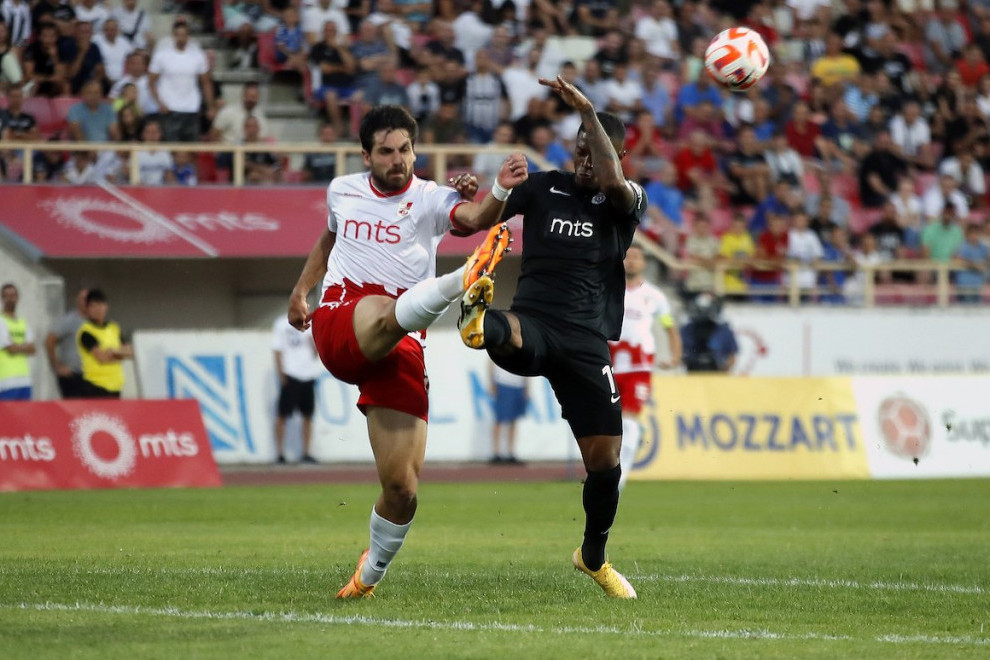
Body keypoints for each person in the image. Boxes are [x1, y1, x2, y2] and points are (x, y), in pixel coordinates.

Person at [286, 105, 528, 599]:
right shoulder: (342, 190)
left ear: (415, 151)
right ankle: (462, 280)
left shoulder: (431, 198)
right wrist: (301, 289)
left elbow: (477, 217)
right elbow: (330, 236)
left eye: (405, 150)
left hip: (401, 343)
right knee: (383, 310)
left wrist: (500, 188)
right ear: (366, 156)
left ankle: (368, 576)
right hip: (342, 317)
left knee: (403, 491)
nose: (397, 160)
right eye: (386, 152)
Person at [456, 76, 646, 599]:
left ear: (617, 156)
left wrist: (586, 108)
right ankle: (479, 322)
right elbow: (473, 222)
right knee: (508, 332)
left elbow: (613, 183)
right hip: (535, 322)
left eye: (595, 153)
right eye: (579, 150)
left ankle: (593, 557)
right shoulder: (542, 188)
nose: (585, 161)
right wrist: (475, 194)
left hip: (587, 342)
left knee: (605, 464)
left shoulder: (626, 199)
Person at [608, 244, 681, 491]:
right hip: (608, 364)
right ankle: (605, 473)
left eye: (636, 257)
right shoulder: (607, 290)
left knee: (628, 423)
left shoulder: (654, 296)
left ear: (644, 263)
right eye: (627, 256)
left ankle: (618, 482)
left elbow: (669, 327)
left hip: (638, 367)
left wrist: (674, 356)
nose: (631, 261)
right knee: (607, 424)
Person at [272, 316, 323, 464]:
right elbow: (277, 350)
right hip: (291, 373)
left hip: (308, 374)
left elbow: (316, 353)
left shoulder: (311, 324)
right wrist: (281, 374)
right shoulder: (282, 324)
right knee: (282, 414)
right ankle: (280, 453)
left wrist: (312, 343)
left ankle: (306, 452)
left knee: (308, 415)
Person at [76, 289, 134, 399]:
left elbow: (131, 352)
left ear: (106, 307)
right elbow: (102, 358)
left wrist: (113, 351)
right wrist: (120, 356)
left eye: (100, 305)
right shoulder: (86, 332)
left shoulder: (114, 328)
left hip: (115, 385)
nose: (97, 309)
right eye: (93, 306)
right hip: (95, 386)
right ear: (87, 309)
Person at [44, 287, 88, 399]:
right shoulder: (69, 320)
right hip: (72, 375)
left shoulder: (95, 322)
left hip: (91, 375)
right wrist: (57, 366)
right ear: (77, 301)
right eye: (83, 298)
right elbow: (49, 341)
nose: (86, 301)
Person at [680, 292, 738, 373]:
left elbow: (732, 357)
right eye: (700, 310)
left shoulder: (723, 331)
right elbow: (680, 353)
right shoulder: (687, 330)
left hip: (717, 373)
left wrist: (723, 370)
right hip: (693, 374)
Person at [0, 283, 36, 401]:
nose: (10, 299)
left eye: (13, 295)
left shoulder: (22, 322)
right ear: (2, 298)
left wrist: (16, 346)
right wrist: (24, 346)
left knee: (26, 412)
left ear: (17, 297)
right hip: (6, 380)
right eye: (7, 296)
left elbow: (33, 349)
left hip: (24, 379)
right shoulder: (1, 321)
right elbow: (10, 349)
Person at [489, 362, 527, 464]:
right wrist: (491, 383)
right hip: (503, 383)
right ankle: (496, 452)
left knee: (513, 420)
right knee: (499, 419)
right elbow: (490, 363)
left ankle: (511, 452)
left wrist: (526, 387)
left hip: (519, 384)